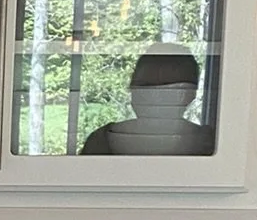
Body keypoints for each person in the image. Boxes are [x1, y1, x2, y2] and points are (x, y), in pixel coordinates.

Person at [80, 45, 214, 155]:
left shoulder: (209, 145)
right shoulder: (100, 143)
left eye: (167, 89)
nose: (154, 96)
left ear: (190, 95)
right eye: (144, 86)